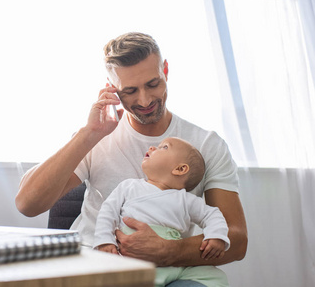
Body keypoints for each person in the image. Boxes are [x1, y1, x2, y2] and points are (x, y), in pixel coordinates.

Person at [16, 32, 247, 287]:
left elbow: (236, 242)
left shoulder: (206, 145)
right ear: (112, 88)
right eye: (130, 91)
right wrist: (88, 134)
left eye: (152, 84)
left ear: (166, 70)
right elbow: (27, 204)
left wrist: (168, 251)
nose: (145, 100)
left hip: (167, 271)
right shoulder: (96, 137)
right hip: (97, 265)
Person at [94, 137, 230, 287]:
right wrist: (104, 241)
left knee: (215, 277)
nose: (152, 148)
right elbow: (107, 212)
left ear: (180, 169)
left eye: (164, 147)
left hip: (173, 265)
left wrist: (216, 235)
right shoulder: (129, 186)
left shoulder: (185, 199)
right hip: (132, 258)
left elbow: (211, 214)